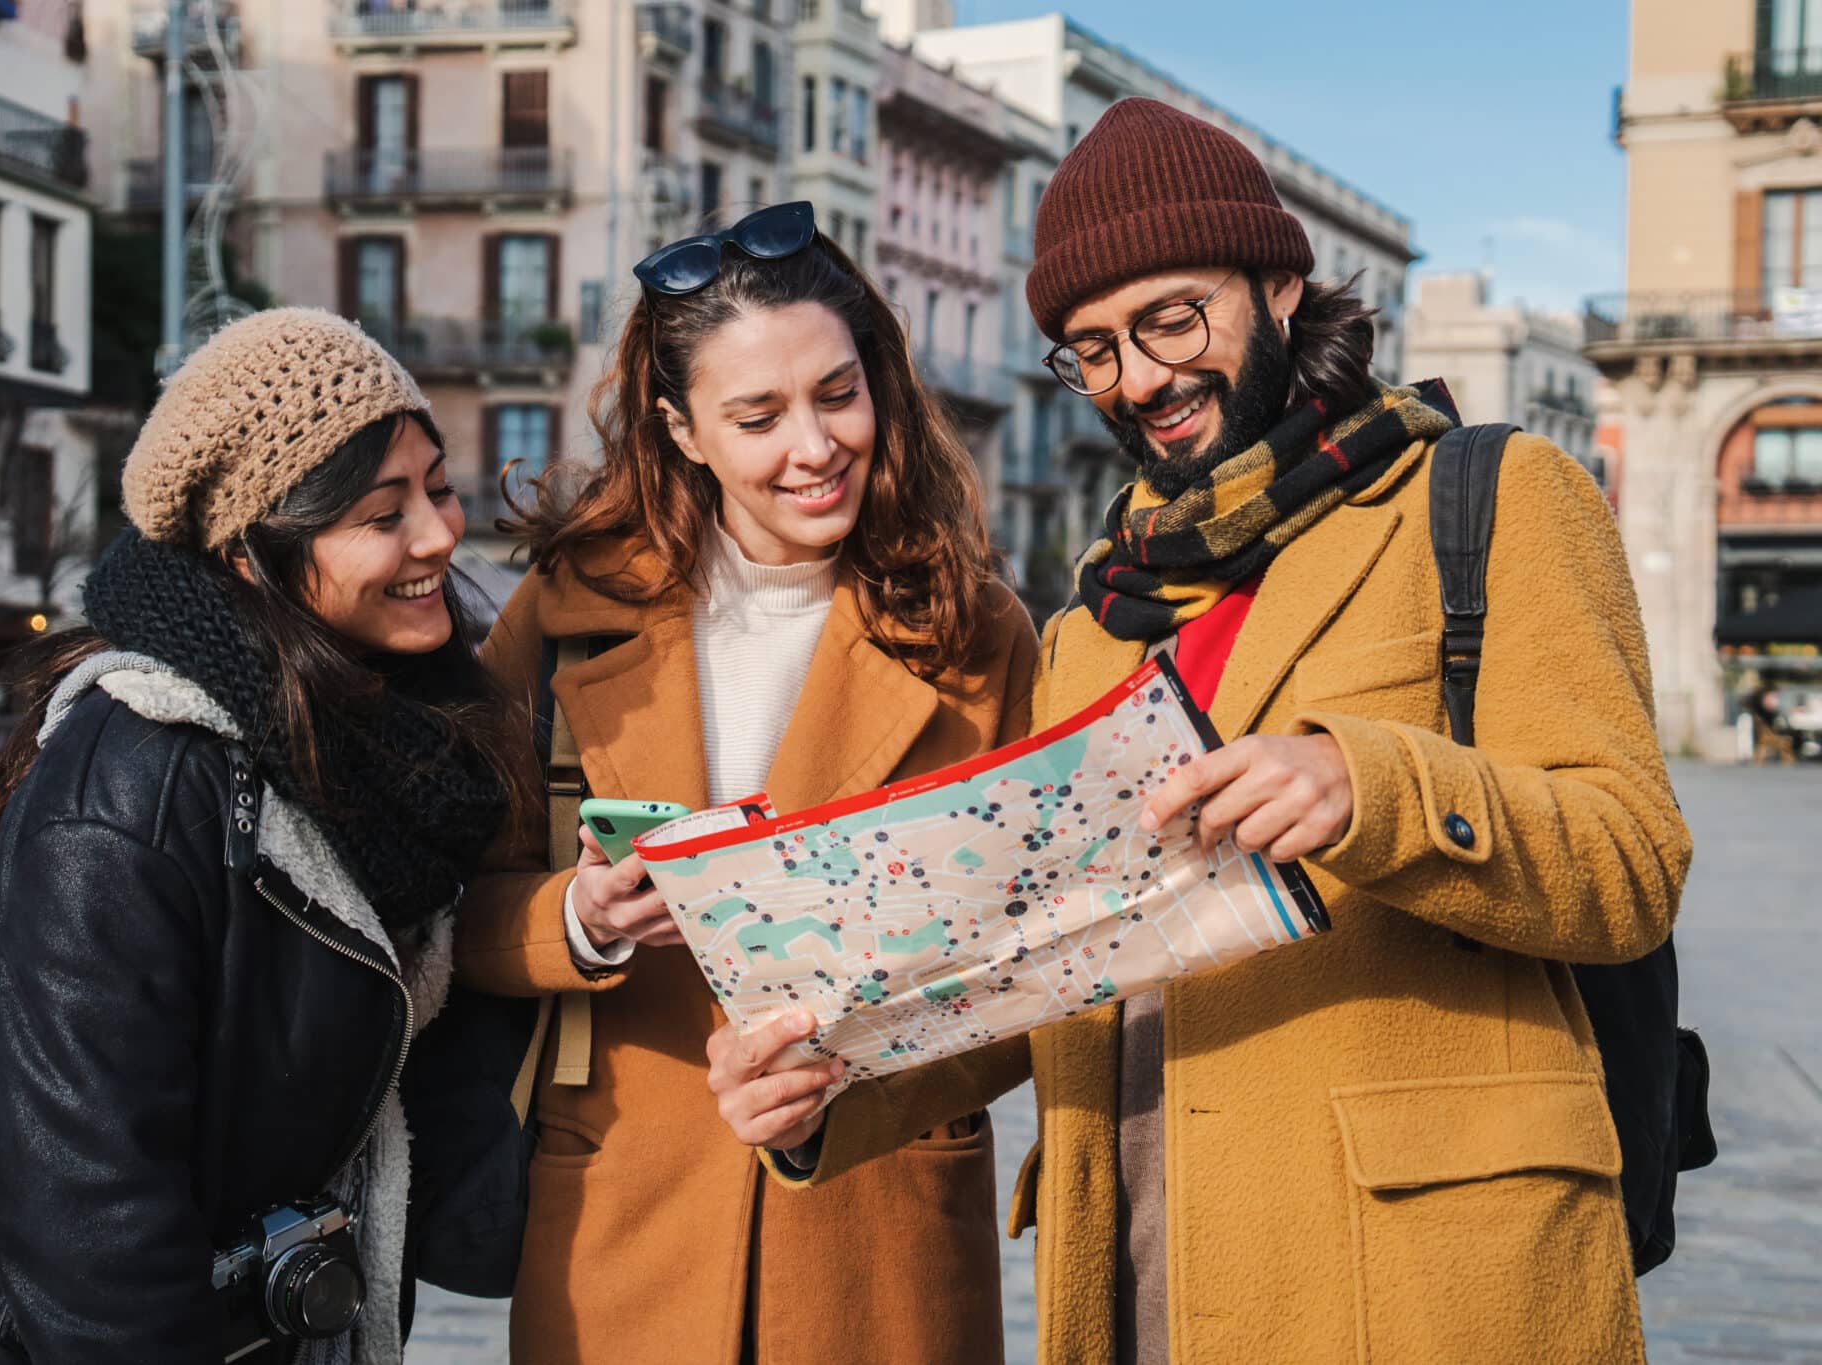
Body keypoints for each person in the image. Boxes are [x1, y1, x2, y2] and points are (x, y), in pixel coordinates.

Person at [708, 102, 1693, 1363]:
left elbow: (1628, 865)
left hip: (1419, 1282)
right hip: (1137, 1273)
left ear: (1277, 283)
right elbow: (1049, 962)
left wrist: (1367, 786)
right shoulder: (1089, 626)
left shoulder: (1490, 498)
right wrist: (830, 1087)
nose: (1141, 378)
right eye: (1092, 349)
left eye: (1172, 318)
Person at [0, 309, 518, 1364]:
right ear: (255, 555)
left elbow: (433, 1137)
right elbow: (92, 1216)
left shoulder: (381, 756)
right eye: (381, 512)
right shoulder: (138, 775)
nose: (438, 535)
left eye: (436, 487)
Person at [438, 202, 1040, 1363]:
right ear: (680, 429)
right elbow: (445, 915)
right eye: (756, 416)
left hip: (878, 1241)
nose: (812, 448)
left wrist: (844, 1098)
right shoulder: (562, 617)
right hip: (619, 1239)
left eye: (836, 393)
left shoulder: (977, 635)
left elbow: (1035, 969)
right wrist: (578, 920)